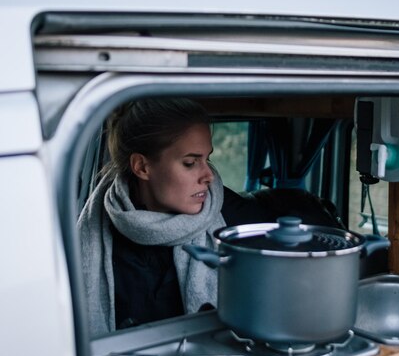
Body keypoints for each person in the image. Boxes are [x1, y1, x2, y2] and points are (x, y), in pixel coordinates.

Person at [78, 97, 271, 338]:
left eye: (206, 159)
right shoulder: (93, 236)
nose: (208, 175)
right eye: (190, 163)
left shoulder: (239, 225)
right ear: (142, 167)